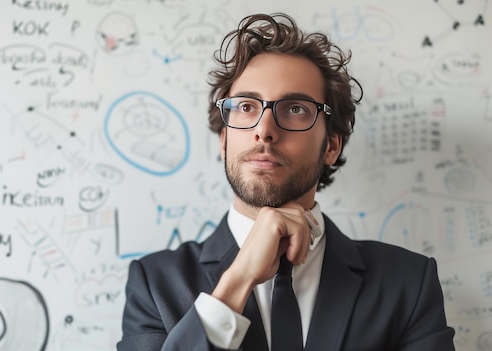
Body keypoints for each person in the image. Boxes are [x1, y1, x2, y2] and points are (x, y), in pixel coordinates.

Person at [117, 13, 455, 351]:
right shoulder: (154, 283)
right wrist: (237, 281)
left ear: (331, 146)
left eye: (295, 109)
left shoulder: (408, 282)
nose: (264, 129)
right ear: (223, 140)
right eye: (246, 106)